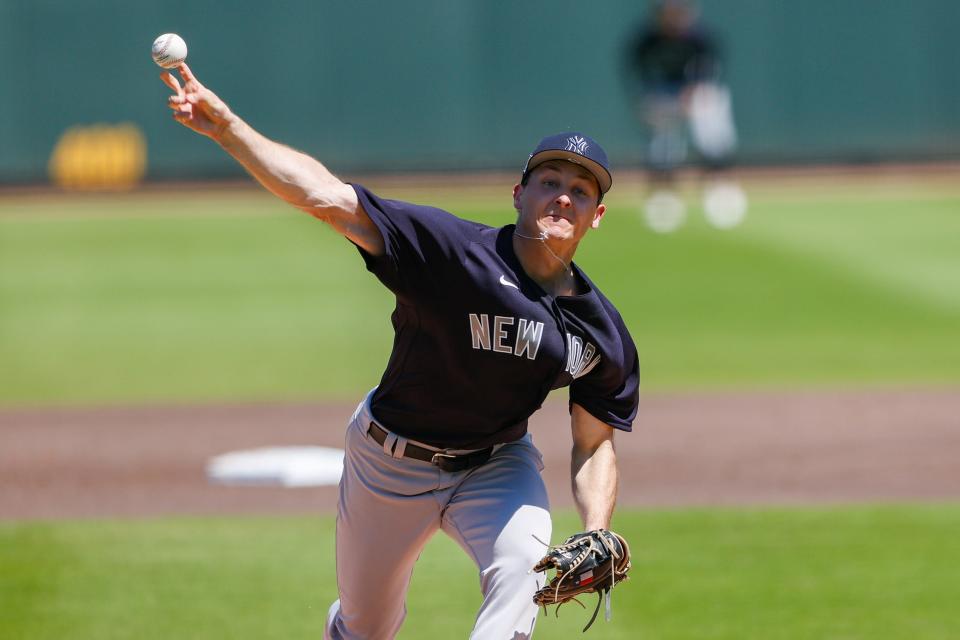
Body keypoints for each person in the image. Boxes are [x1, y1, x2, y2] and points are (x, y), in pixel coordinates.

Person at [160, 63, 639, 639]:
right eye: (550, 181)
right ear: (519, 194)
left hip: (496, 466)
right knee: (366, 626)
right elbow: (327, 199)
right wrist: (229, 129)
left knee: (522, 580)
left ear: (597, 215)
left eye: (580, 190)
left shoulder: (600, 332)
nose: (563, 197)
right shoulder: (451, 251)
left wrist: (597, 525)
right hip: (388, 462)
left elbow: (593, 444)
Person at [625, 0, 747, 232]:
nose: (675, 18)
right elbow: (640, 74)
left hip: (695, 91)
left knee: (711, 127)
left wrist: (692, 94)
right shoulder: (647, 40)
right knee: (663, 140)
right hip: (663, 94)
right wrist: (652, 101)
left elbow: (711, 73)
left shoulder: (700, 38)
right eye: (669, 12)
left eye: (679, 12)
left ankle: (720, 186)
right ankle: (664, 195)